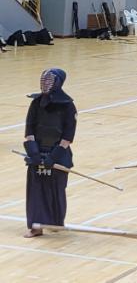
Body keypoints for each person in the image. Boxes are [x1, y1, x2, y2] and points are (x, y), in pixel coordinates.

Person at [23, 69, 77, 238]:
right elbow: (29, 130)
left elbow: (68, 136)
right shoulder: (36, 103)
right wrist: (34, 153)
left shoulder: (68, 106)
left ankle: (55, 222)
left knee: (56, 190)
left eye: (49, 80)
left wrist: (53, 157)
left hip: (58, 155)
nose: (45, 83)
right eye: (43, 80)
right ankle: (36, 226)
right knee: (36, 192)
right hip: (37, 154)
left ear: (58, 82)